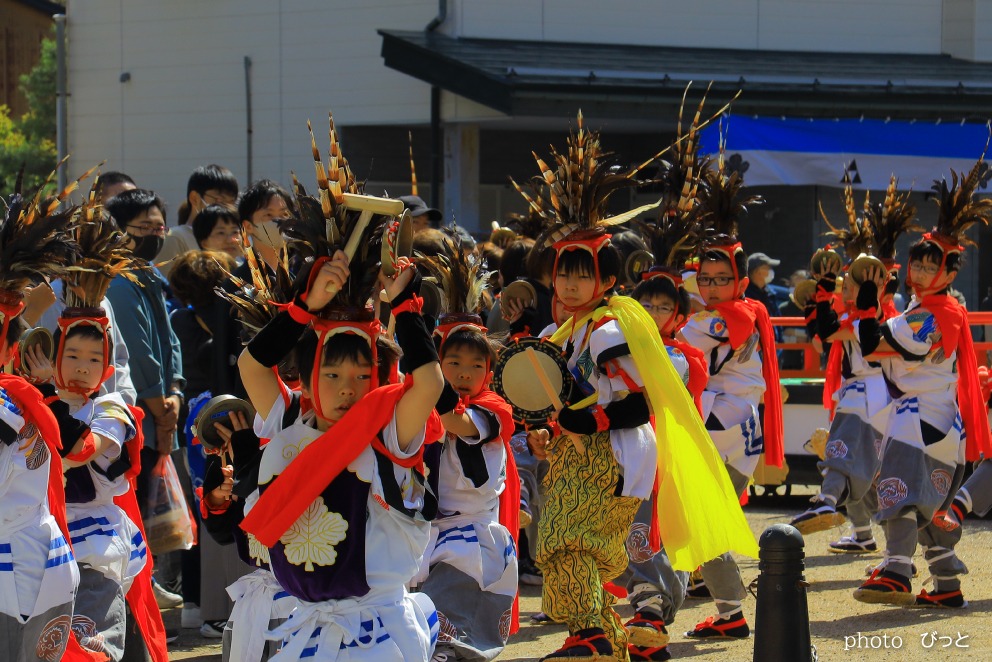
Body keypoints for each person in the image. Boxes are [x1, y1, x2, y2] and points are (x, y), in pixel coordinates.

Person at [514, 114, 754, 660]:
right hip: (584, 451)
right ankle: (619, 638)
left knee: (567, 543)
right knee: (573, 547)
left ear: (606, 276)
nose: (570, 282)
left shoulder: (610, 329)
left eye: (583, 271)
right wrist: (548, 429)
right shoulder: (562, 330)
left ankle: (597, 634)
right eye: (564, 271)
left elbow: (638, 403)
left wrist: (587, 421)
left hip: (614, 451)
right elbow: (555, 396)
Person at [851, 162, 992, 608]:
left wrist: (869, 301)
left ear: (950, 273)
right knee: (927, 508)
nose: (925, 270)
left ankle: (895, 569)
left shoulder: (936, 312)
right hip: (934, 420)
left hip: (921, 419)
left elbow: (874, 345)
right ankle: (947, 585)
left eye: (934, 265)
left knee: (899, 492)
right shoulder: (926, 306)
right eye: (921, 262)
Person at [676, 166, 783, 639]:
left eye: (722, 278)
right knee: (708, 523)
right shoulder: (745, 309)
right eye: (705, 279)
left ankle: (728, 612)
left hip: (722, 430)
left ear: (739, 280)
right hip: (739, 432)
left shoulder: (724, 319)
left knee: (704, 522)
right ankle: (727, 609)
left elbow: (677, 346)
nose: (712, 286)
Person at [411, 248, 519, 662]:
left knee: (448, 599)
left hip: (471, 532)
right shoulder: (419, 403)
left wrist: (424, 371)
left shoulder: (494, 408)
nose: (463, 373)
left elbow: (455, 423)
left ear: (488, 371)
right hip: (424, 529)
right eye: (452, 362)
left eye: (475, 365)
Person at [158, 165, 239, 277]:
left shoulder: (237, 236)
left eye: (231, 202)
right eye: (219, 201)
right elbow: (166, 285)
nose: (225, 207)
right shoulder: (175, 237)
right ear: (195, 198)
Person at [744, 252, 788, 319]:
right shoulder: (745, 295)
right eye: (767, 268)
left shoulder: (770, 294)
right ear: (756, 272)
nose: (771, 271)